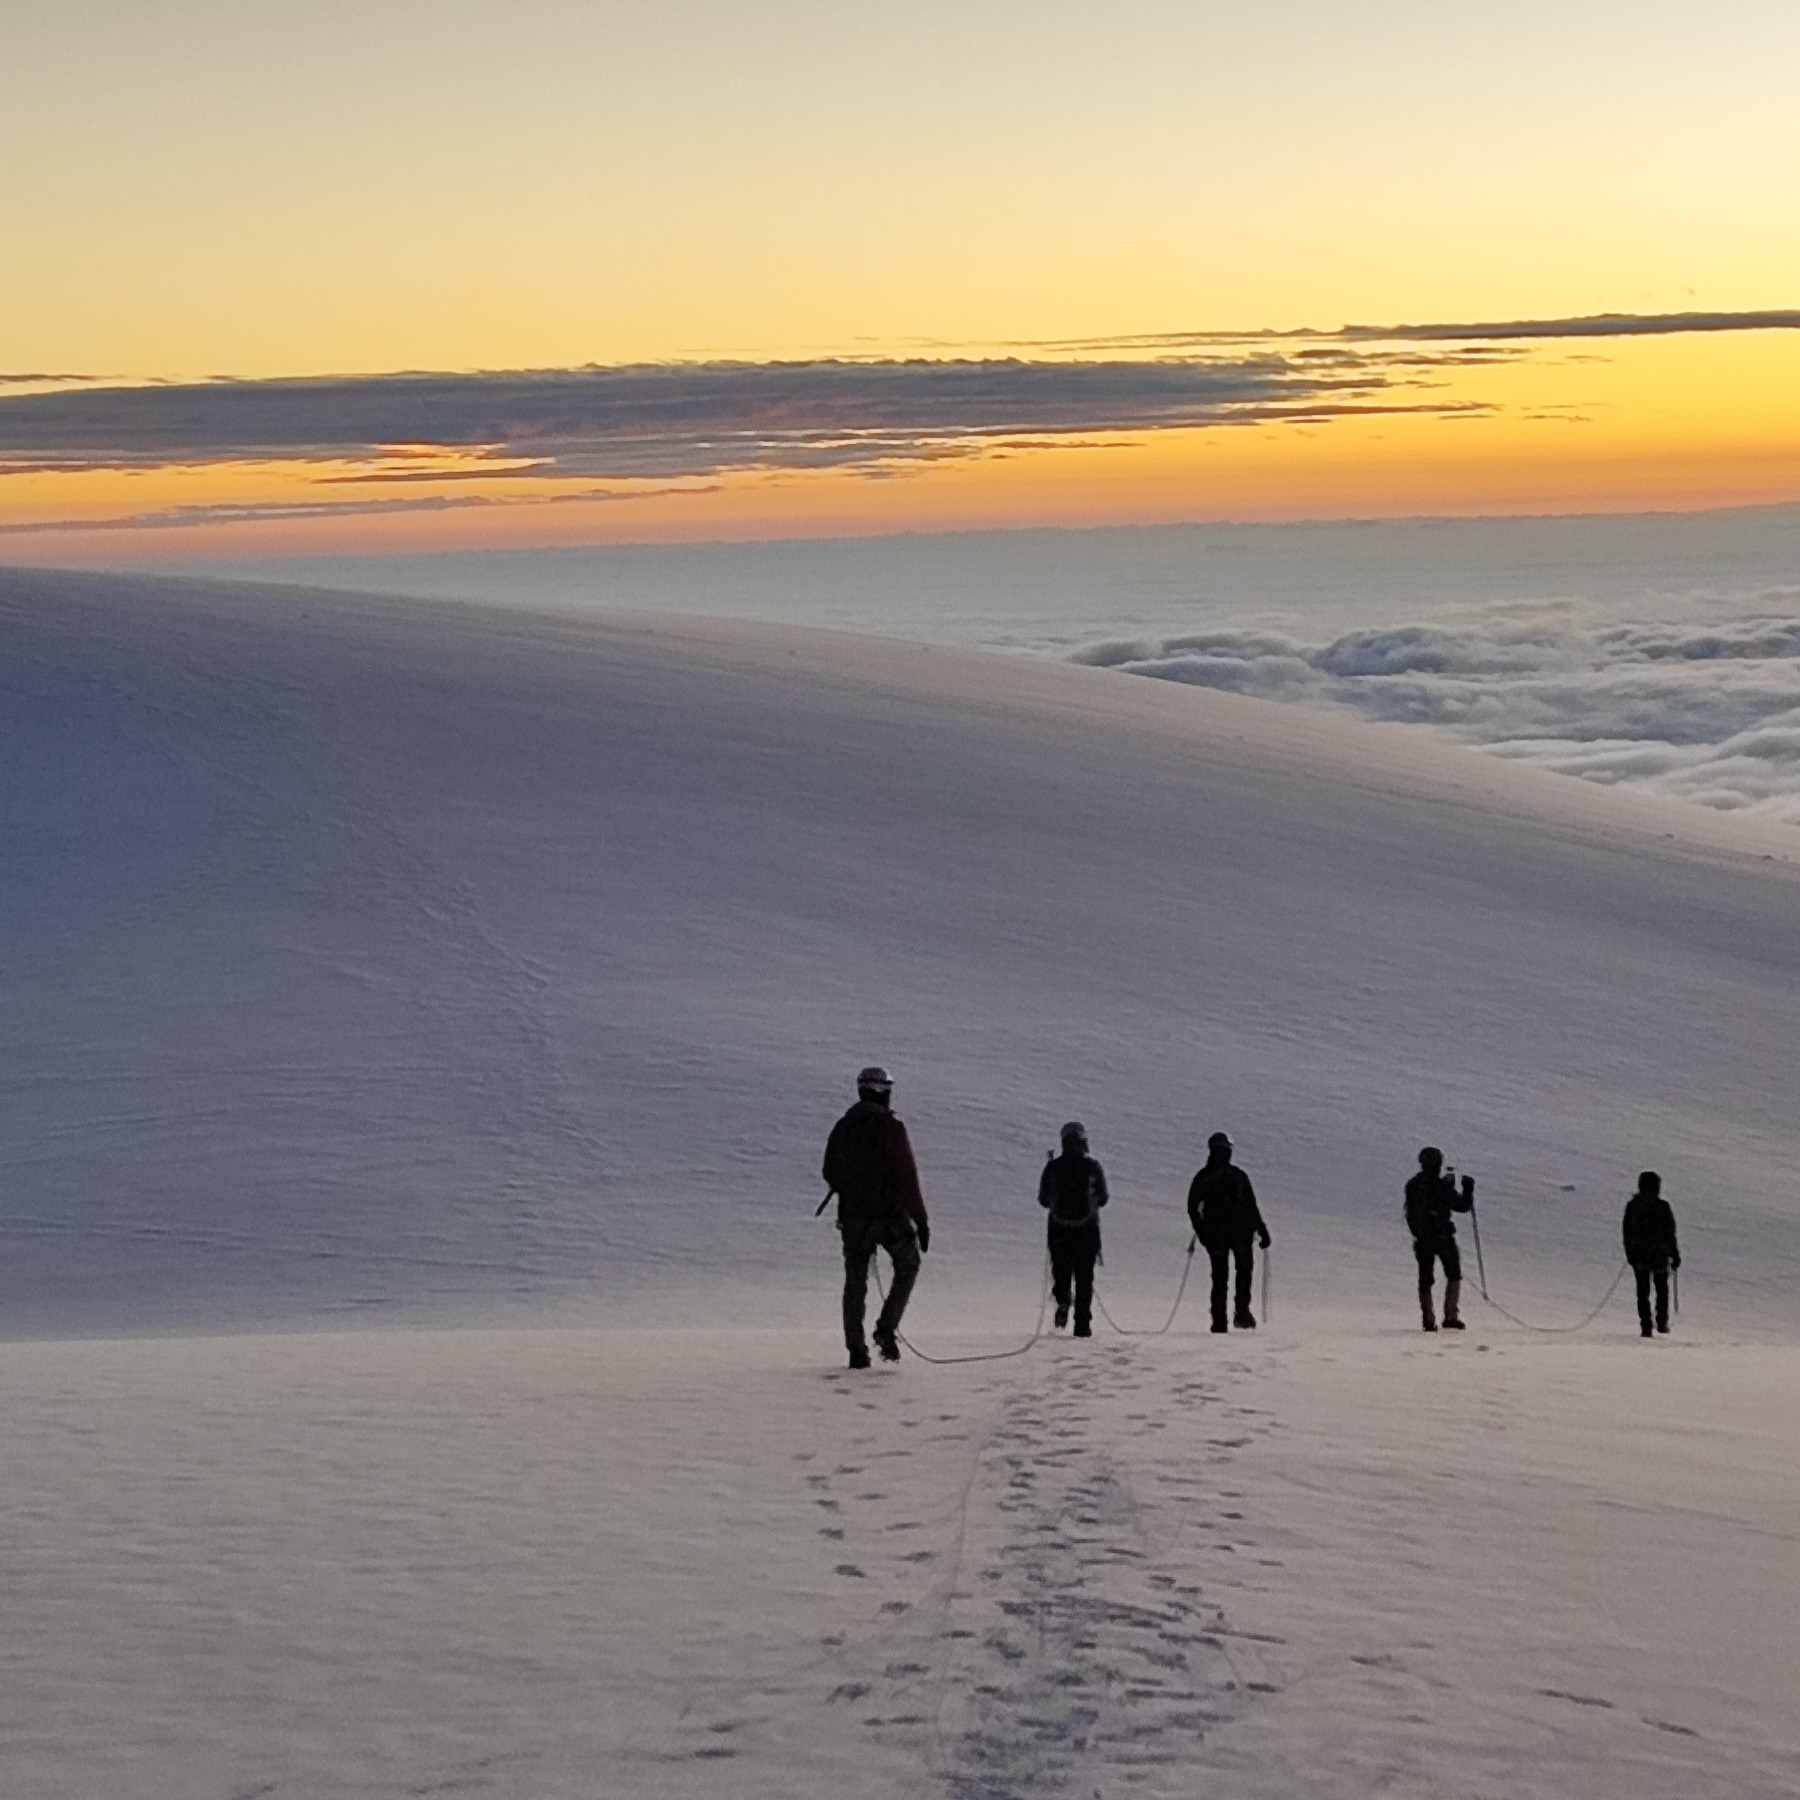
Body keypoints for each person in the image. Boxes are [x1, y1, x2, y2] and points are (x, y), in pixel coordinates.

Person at [822, 1065, 930, 1369]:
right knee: (908, 1265)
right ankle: (885, 1329)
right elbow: (907, 1177)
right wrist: (920, 1220)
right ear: (884, 1092)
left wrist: (852, 1191)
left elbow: (829, 1171)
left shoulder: (843, 1127)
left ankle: (856, 1350)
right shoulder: (892, 1128)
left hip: (854, 1219)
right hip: (889, 1217)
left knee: (855, 1281)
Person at [1187, 1132, 1270, 1332]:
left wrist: (1203, 1232)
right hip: (1237, 1235)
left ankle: (1221, 1320)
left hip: (1218, 1235)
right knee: (1240, 1274)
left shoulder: (1204, 1176)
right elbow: (1251, 1206)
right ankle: (1239, 1314)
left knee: (1221, 1277)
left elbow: (1193, 1208)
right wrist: (1262, 1230)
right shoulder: (1236, 1175)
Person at [1039, 1121, 1108, 1337]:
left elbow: (1043, 1199)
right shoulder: (1092, 1167)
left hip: (1060, 1231)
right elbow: (1103, 1197)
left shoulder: (1053, 1167)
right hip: (1087, 1231)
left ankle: (1062, 1301)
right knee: (1084, 1278)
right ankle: (1082, 1325)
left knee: (1061, 1273)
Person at [1404, 1146, 1473, 1331]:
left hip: (1422, 1238)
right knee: (1453, 1273)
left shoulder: (1412, 1185)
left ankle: (1428, 1318)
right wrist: (1468, 1188)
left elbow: (1410, 1211)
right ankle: (1450, 1316)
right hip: (1443, 1236)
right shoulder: (1441, 1186)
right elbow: (1462, 1206)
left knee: (1425, 1278)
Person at [1622, 1170, 1680, 1338]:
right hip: (1659, 1255)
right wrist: (1674, 1254)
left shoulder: (1633, 1206)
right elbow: (1670, 1233)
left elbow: (1627, 1232)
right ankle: (1661, 1322)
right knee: (1661, 1289)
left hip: (1641, 1255)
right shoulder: (1662, 1207)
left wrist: (1630, 1253)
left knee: (1643, 1291)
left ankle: (1646, 1326)